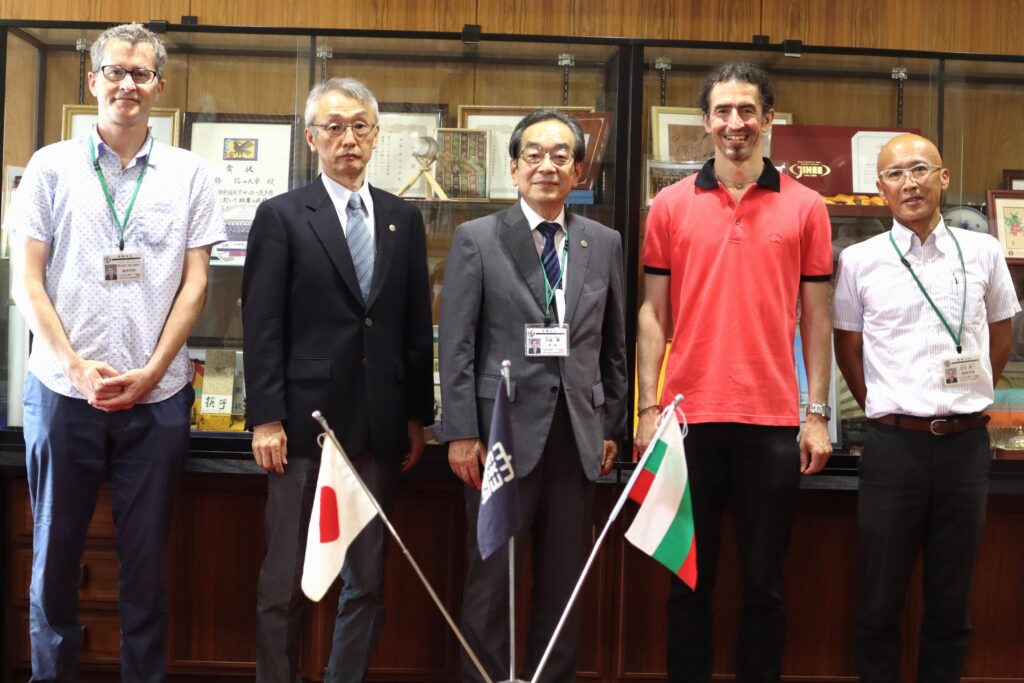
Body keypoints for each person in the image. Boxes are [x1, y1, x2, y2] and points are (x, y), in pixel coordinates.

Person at [5, 23, 224, 682]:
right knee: (53, 557)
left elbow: (196, 284)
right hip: (62, 393)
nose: (127, 83)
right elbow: (26, 281)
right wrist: (74, 366)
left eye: (141, 73)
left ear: (159, 85)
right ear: (93, 80)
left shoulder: (190, 174)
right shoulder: (50, 166)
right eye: (116, 71)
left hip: (156, 399)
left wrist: (153, 371)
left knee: (147, 563)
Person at [635, 62, 834, 683]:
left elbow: (818, 319)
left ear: (768, 119)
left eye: (748, 110)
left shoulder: (807, 207)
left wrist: (817, 414)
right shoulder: (669, 205)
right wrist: (647, 409)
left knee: (765, 587)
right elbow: (652, 313)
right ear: (705, 121)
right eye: (722, 111)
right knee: (686, 584)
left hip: (771, 424)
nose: (735, 122)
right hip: (686, 423)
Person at [242, 77, 433, 683]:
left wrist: (416, 415)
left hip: (379, 425)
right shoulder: (281, 216)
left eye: (359, 126)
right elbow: (262, 324)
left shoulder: (403, 218)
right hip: (303, 428)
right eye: (333, 127)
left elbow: (414, 324)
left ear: (376, 135)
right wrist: (265, 418)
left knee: (367, 580)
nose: (347, 138)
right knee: (284, 581)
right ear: (311, 138)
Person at [439, 109, 627, 683]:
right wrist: (461, 432)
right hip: (500, 438)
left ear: (578, 170)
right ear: (514, 168)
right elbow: (457, 343)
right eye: (535, 155)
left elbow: (613, 346)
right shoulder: (478, 239)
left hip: (578, 437)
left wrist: (611, 428)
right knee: (492, 582)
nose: (548, 166)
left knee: (564, 586)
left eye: (561, 156)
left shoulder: (604, 242)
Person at [833, 133, 1019, 683]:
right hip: (893, 449)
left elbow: (1001, 336)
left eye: (920, 169)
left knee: (952, 601)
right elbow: (848, 349)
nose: (909, 183)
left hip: (965, 448)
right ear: (880, 188)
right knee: (879, 600)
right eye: (895, 174)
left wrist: (968, 395)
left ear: (943, 177)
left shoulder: (983, 251)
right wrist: (885, 408)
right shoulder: (860, 261)